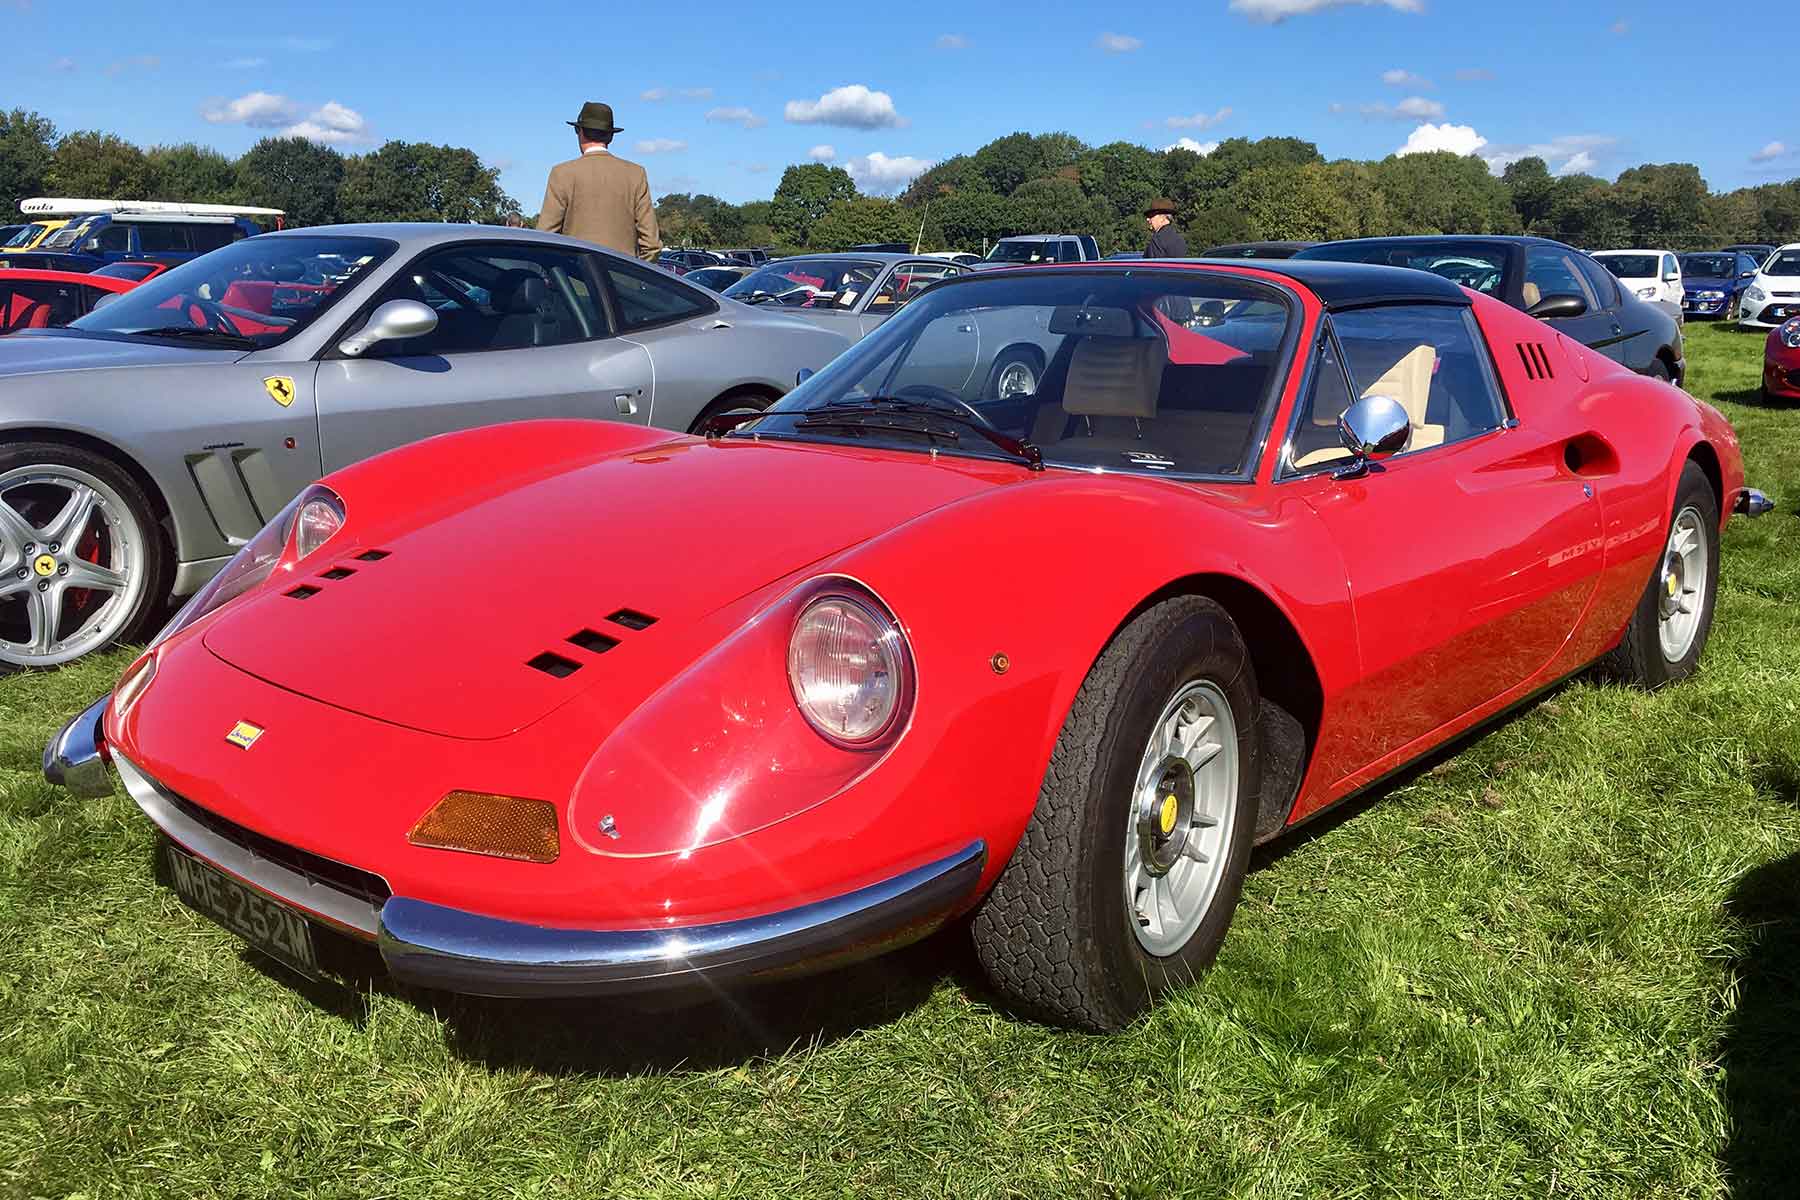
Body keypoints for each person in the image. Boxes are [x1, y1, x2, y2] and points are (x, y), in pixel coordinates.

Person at [537, 101, 662, 261]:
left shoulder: (562, 173)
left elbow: (545, 237)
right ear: (610, 136)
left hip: (576, 281)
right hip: (624, 281)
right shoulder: (635, 174)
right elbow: (651, 245)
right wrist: (634, 281)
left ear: (579, 131)